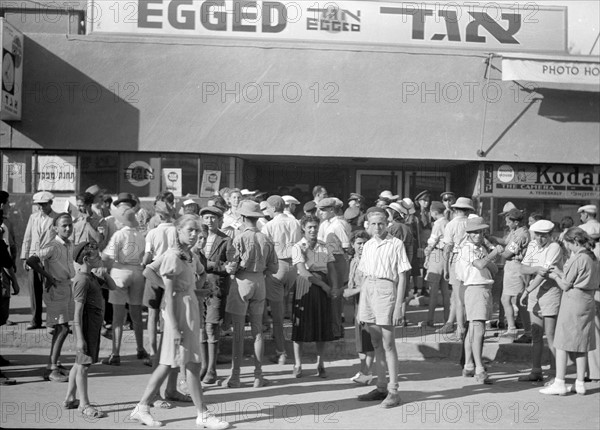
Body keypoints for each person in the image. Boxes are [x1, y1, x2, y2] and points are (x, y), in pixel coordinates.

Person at [129, 215, 229, 429]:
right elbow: (169, 295)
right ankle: (202, 413)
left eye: (197, 231)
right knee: (188, 364)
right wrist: (174, 327)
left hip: (189, 309)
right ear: (179, 231)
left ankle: (143, 407)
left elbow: (183, 287)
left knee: (170, 363)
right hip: (179, 314)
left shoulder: (190, 256)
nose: (194, 235)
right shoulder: (174, 256)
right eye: (190, 230)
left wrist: (199, 292)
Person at [356, 207, 411, 409]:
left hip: (386, 289)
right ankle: (381, 387)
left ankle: (394, 390)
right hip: (369, 289)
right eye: (373, 224)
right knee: (375, 341)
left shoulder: (396, 244)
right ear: (368, 225)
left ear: (387, 224)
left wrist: (399, 306)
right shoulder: (368, 245)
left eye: (381, 223)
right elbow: (363, 275)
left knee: (388, 343)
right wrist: (362, 303)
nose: (377, 227)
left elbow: (403, 275)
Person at [224, 200, 278, 388]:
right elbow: (274, 267)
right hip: (259, 282)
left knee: (238, 332)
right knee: (257, 332)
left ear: (243, 217)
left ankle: (236, 376)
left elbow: (232, 267)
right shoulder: (266, 239)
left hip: (242, 282)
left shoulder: (239, 238)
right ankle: (258, 375)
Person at [540, 227, 599, 395]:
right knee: (582, 343)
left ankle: (559, 381)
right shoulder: (592, 258)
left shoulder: (577, 258)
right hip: (588, 301)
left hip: (573, 301)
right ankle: (580, 383)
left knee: (562, 342)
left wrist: (554, 276)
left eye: (567, 244)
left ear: (574, 242)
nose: (566, 247)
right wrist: (561, 273)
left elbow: (566, 285)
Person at [63, 241, 116, 417]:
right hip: (85, 327)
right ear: (86, 258)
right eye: (97, 256)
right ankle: (84, 404)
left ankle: (70, 398)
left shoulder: (92, 277)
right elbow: (77, 313)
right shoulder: (82, 280)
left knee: (79, 363)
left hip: (92, 326)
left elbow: (113, 286)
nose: (100, 258)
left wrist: (105, 273)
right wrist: (80, 339)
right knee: (84, 366)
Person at [26, 213, 75, 383]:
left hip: (67, 287)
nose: (68, 228)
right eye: (64, 226)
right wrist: (48, 276)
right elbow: (31, 260)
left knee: (63, 327)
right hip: (56, 289)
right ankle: (51, 367)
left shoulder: (69, 244)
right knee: (61, 328)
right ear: (55, 228)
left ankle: (54, 363)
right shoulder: (53, 245)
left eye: (70, 225)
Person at [101, 205, 149, 366]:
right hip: (137, 272)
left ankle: (115, 354)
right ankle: (141, 349)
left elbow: (108, 257)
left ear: (121, 221)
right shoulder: (140, 235)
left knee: (117, 318)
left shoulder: (118, 235)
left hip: (120, 272)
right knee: (136, 316)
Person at [291, 214, 337, 378]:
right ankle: (298, 364)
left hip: (322, 285)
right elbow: (303, 271)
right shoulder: (298, 247)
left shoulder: (325, 246)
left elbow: (331, 268)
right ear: (303, 228)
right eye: (309, 227)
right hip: (305, 285)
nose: (313, 230)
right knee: (300, 325)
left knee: (321, 325)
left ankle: (320, 363)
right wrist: (324, 285)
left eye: (315, 227)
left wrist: (334, 287)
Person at [518, 220, 563, 382]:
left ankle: (556, 375)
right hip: (534, 293)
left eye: (544, 236)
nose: (540, 239)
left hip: (550, 293)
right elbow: (523, 268)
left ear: (550, 235)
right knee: (536, 334)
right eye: (537, 235)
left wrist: (527, 290)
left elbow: (543, 273)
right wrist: (535, 269)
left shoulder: (555, 248)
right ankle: (536, 371)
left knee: (551, 336)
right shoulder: (532, 246)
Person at [455, 216, 498, 384]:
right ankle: (479, 369)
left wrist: (489, 256)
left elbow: (492, 268)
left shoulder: (478, 248)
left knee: (473, 329)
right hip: (475, 288)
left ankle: (469, 365)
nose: (479, 235)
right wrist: (494, 253)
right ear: (469, 234)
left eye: (481, 232)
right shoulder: (468, 248)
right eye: (475, 232)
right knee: (478, 329)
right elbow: (480, 265)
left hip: (482, 287)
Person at [261, 195, 302, 365]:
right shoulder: (295, 222)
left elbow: (265, 251)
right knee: (289, 311)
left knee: (278, 315)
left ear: (272, 208)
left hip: (277, 267)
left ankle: (281, 352)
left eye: (267, 208)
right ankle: (294, 350)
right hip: (293, 266)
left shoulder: (269, 225)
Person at [142, 201, 178, 367]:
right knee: (168, 314)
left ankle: (153, 352)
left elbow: (147, 257)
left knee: (152, 314)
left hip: (155, 271)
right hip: (171, 272)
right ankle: (167, 352)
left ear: (159, 215)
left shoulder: (152, 233)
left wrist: (143, 263)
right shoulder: (176, 232)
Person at [199, 206, 232, 384]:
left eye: (213, 218)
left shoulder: (226, 240)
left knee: (212, 327)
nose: (209, 221)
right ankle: (203, 366)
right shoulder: (196, 237)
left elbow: (232, 264)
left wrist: (218, 267)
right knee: (201, 329)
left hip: (216, 288)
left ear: (220, 220)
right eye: (206, 218)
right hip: (198, 288)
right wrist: (217, 265)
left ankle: (212, 369)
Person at [437, 197, 474, 337]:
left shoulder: (451, 225)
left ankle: (460, 329)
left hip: (457, 259)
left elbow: (447, 248)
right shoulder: (472, 223)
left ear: (455, 209)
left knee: (458, 298)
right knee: (469, 295)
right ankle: (468, 325)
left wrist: (446, 268)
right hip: (471, 259)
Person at [20, 191, 57, 330]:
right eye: (38, 205)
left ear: (50, 204)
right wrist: (25, 257)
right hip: (33, 259)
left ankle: (52, 321)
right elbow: (27, 237)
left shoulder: (57, 218)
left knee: (50, 290)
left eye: (43, 204)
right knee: (34, 290)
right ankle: (35, 320)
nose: (40, 207)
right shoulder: (33, 217)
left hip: (50, 259)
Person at [343, 230, 375, 385]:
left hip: (368, 302)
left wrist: (352, 291)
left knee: (368, 337)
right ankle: (364, 370)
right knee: (361, 339)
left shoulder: (370, 260)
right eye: (359, 243)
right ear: (352, 245)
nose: (361, 246)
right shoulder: (354, 260)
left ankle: (367, 371)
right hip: (358, 301)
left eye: (364, 243)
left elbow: (369, 284)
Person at [495, 209, 531, 341]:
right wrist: (491, 237)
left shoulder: (520, 235)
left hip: (515, 267)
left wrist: (493, 248)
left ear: (516, 222)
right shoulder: (515, 232)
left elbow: (507, 254)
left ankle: (528, 332)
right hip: (511, 267)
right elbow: (505, 242)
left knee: (519, 301)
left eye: (508, 221)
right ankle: (512, 328)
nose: (506, 223)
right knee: (506, 299)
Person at [317, 197, 350, 339]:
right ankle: (333, 328)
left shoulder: (338, 225)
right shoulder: (326, 223)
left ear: (331, 210)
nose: (321, 212)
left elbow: (346, 246)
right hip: (328, 260)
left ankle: (336, 330)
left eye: (324, 210)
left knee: (335, 297)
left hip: (337, 260)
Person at [423, 201, 450, 327]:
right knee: (445, 292)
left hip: (436, 255)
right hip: (447, 257)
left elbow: (432, 242)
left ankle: (430, 320)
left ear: (434, 212)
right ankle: (447, 320)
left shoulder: (437, 224)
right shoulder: (448, 223)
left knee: (433, 290)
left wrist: (426, 254)